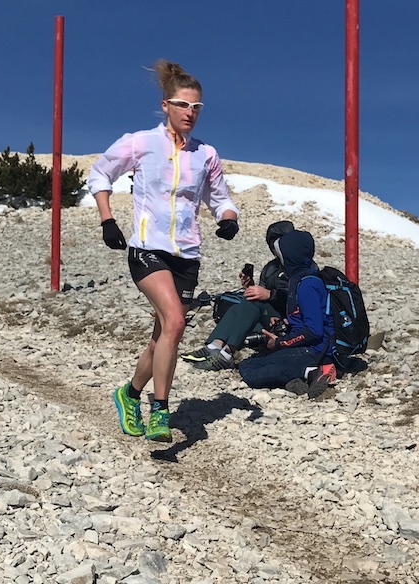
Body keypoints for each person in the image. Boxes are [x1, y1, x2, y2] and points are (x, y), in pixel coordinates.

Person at [86, 59, 240, 442]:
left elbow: (220, 198)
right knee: (175, 322)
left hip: (186, 255)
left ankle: (129, 393)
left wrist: (228, 218)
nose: (191, 113)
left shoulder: (206, 155)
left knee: (162, 337)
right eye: (183, 105)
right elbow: (100, 173)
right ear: (166, 106)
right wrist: (108, 220)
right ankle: (160, 412)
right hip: (147, 249)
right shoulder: (140, 142)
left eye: (197, 107)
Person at [181, 220, 295, 371]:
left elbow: (298, 298)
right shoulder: (271, 268)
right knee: (243, 304)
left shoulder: (298, 266)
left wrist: (270, 294)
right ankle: (215, 346)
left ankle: (226, 353)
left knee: (251, 304)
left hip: (288, 320)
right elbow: (261, 296)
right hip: (270, 316)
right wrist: (250, 287)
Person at [237, 229, 338, 399]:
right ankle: (296, 379)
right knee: (253, 362)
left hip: (313, 350)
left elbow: (314, 330)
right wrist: (286, 322)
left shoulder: (307, 285)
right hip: (307, 347)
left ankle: (312, 372)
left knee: (249, 370)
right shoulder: (302, 279)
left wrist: (280, 343)